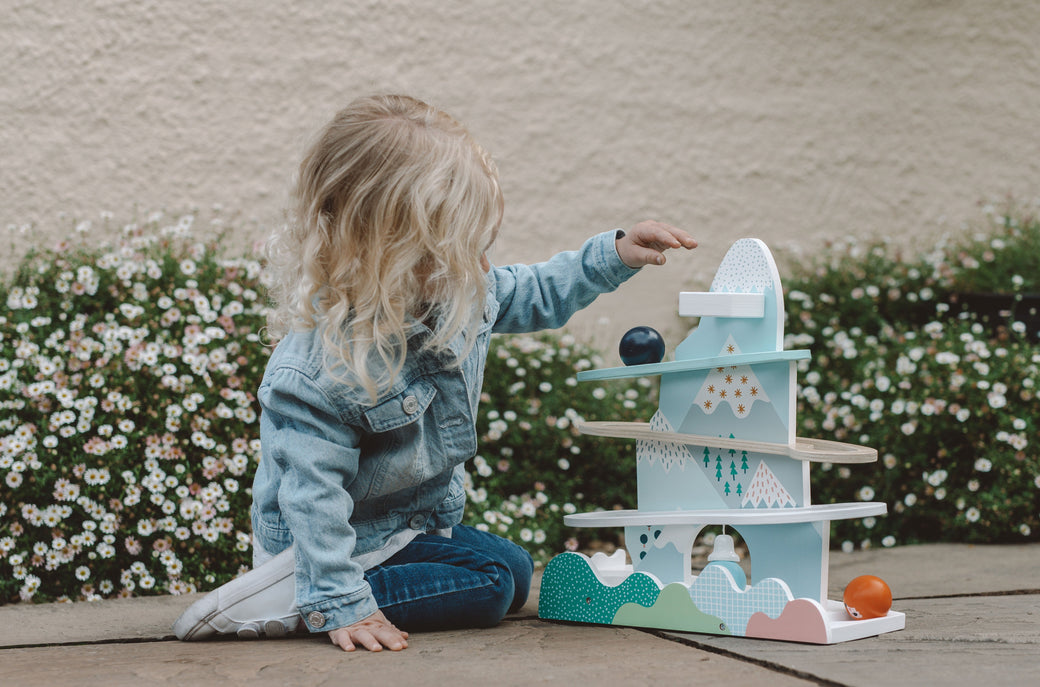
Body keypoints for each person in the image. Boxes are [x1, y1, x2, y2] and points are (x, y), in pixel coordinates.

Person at [173, 94, 697, 652]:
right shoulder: (322, 367)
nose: (480, 266)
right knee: (493, 586)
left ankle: (329, 591)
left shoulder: (456, 291)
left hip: (401, 530)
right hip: (327, 550)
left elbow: (536, 291)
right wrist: (340, 602)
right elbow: (311, 497)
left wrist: (613, 255)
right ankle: (300, 600)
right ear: (388, 252)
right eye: (457, 249)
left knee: (515, 568)